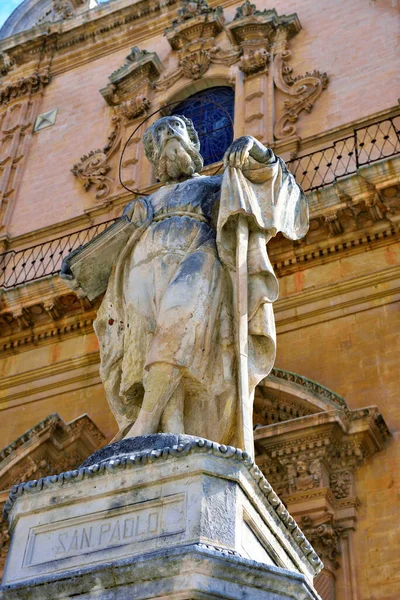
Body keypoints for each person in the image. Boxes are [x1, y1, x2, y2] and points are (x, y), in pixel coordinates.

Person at [62, 115, 308, 446]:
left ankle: (145, 422)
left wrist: (253, 150)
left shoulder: (215, 185)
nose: (168, 135)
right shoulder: (145, 205)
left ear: (193, 144)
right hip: (140, 271)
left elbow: (276, 189)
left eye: (175, 129)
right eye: (159, 135)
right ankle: (171, 422)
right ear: (153, 158)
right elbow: (94, 260)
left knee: (176, 328)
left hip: (199, 254)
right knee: (148, 342)